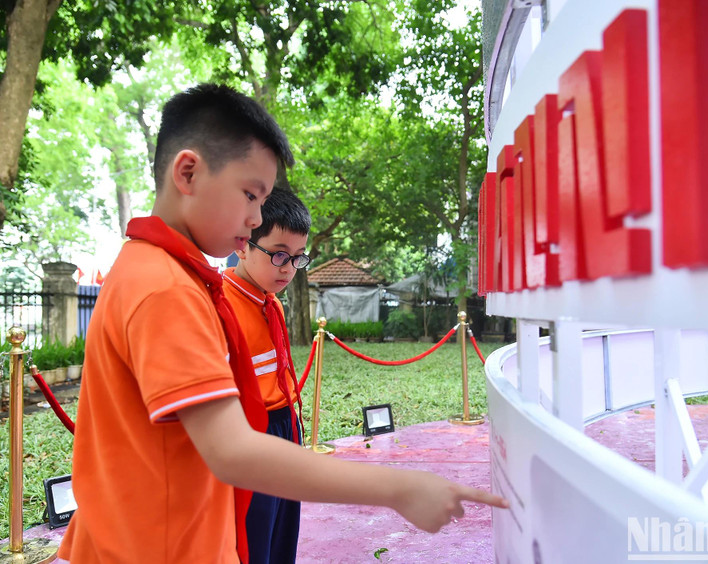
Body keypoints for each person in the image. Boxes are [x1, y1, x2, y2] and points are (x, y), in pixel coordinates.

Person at [57, 83, 507, 564]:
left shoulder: (156, 271)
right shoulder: (167, 288)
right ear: (187, 172)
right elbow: (232, 451)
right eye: (250, 195)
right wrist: (399, 487)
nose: (254, 218)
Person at [222, 186, 312, 563]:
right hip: (250, 431)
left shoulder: (269, 300)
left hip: (284, 423)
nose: (288, 268)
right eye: (278, 254)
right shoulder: (221, 303)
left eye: (297, 258)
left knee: (282, 531)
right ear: (243, 245)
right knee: (254, 536)